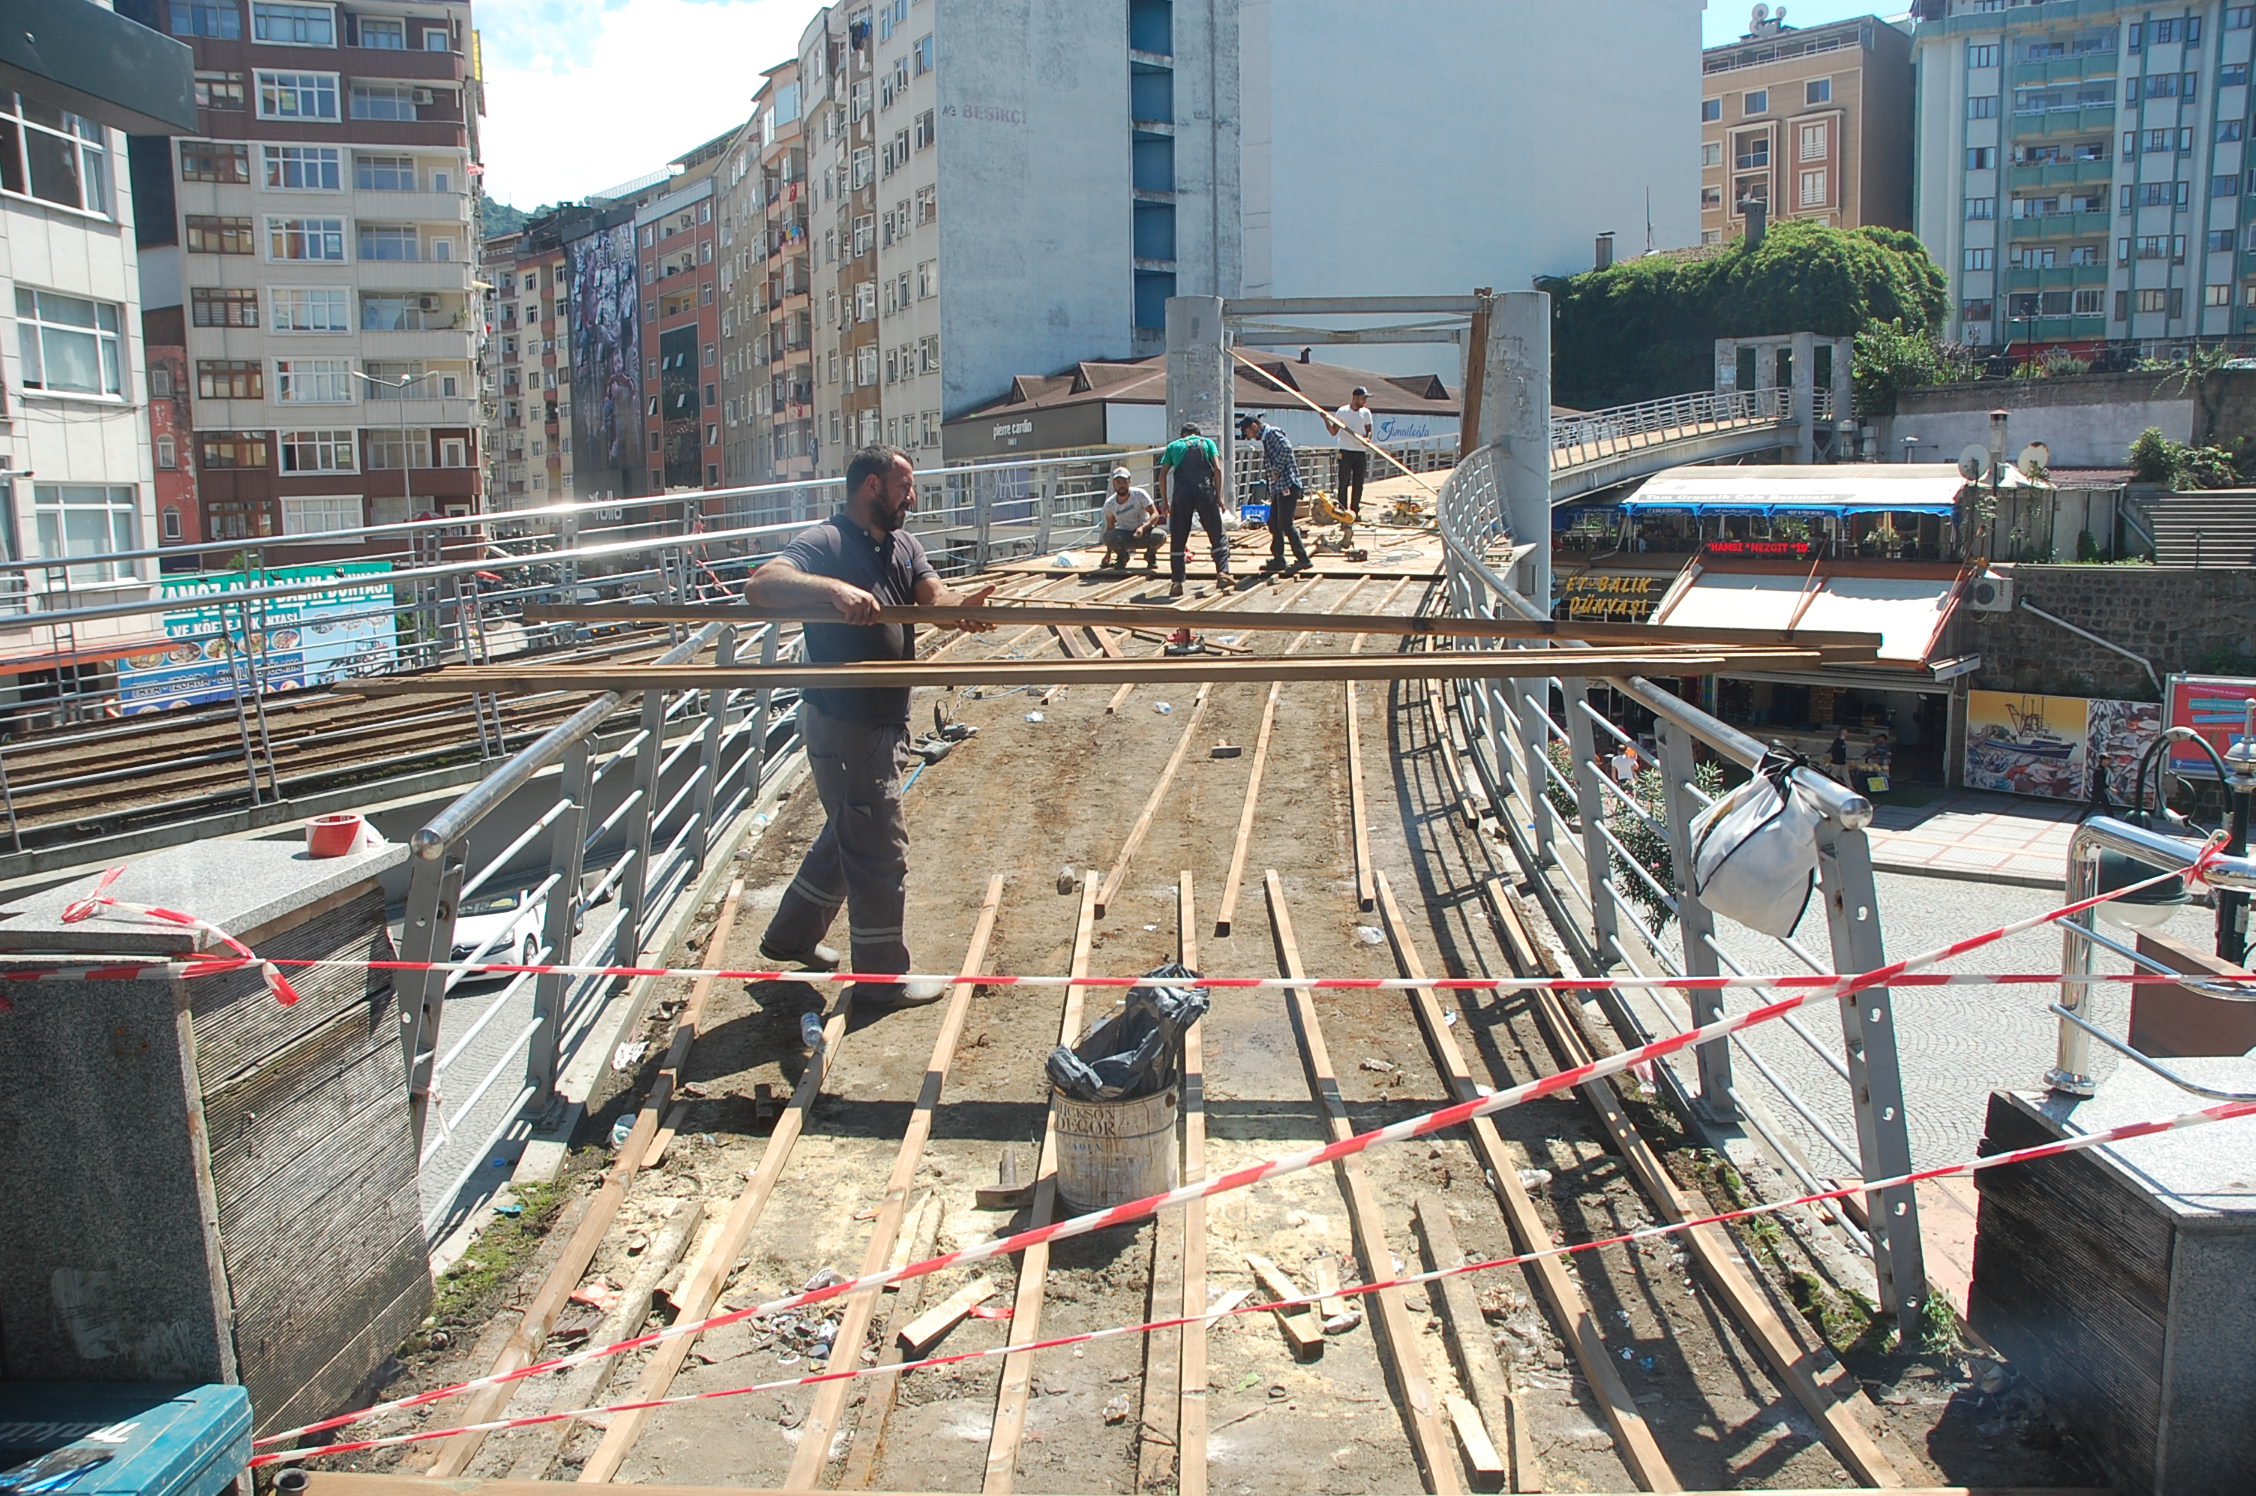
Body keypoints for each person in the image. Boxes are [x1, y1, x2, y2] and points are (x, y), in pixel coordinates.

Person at [746, 444, 994, 1006]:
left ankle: (790, 936)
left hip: (886, 719)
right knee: (880, 847)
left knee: (850, 830)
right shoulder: (827, 542)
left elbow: (935, 597)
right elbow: (761, 585)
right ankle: (883, 981)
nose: (913, 496)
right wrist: (831, 590)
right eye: (905, 487)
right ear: (871, 488)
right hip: (844, 723)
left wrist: (963, 607)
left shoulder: (904, 544)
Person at [1153, 422, 1235, 599]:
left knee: (1179, 537)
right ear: (1198, 434)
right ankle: (1222, 572)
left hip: (1181, 494)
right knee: (1216, 532)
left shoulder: (1174, 446)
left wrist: (1165, 502)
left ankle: (1177, 582)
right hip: (1205, 491)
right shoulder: (1207, 443)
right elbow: (1218, 469)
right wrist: (1219, 498)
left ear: (1184, 434)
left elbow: (1162, 475)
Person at [1238, 411, 1311, 573]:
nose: (1249, 437)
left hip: (1287, 484)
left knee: (1285, 522)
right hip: (1279, 487)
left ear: (1254, 426)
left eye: (1248, 433)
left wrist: (1276, 470)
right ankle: (1279, 559)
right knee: (1273, 522)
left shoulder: (1272, 434)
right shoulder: (1267, 437)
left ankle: (1303, 559)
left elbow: (1286, 449)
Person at [1097, 466, 1164, 572]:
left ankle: (1150, 555)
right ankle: (1122, 556)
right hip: (1124, 536)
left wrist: (1143, 527)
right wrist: (1108, 554)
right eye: (1118, 482)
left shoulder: (1140, 494)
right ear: (1114, 484)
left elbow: (1155, 514)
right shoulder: (1109, 504)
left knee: (1160, 535)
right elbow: (1110, 527)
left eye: (1124, 481)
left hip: (1144, 533)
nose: (1121, 485)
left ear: (1129, 482)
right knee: (1108, 537)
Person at [1326, 386, 1376, 512]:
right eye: (1363, 398)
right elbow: (1333, 431)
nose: (1365, 401)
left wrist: (1367, 439)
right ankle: (1343, 510)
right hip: (1345, 450)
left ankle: (1355, 511)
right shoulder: (1342, 411)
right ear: (1355, 397)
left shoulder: (1366, 412)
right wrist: (1326, 420)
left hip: (1360, 451)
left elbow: (1369, 431)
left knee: (1358, 483)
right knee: (1343, 482)